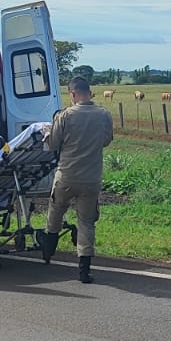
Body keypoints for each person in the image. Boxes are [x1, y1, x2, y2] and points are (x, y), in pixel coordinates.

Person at [40, 76, 115, 283]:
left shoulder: (65, 115)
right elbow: (106, 140)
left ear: (73, 94)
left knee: (55, 211)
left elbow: (53, 144)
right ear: (89, 93)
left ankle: (48, 250)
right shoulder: (104, 114)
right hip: (91, 178)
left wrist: (47, 133)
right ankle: (84, 270)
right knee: (86, 222)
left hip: (67, 175)